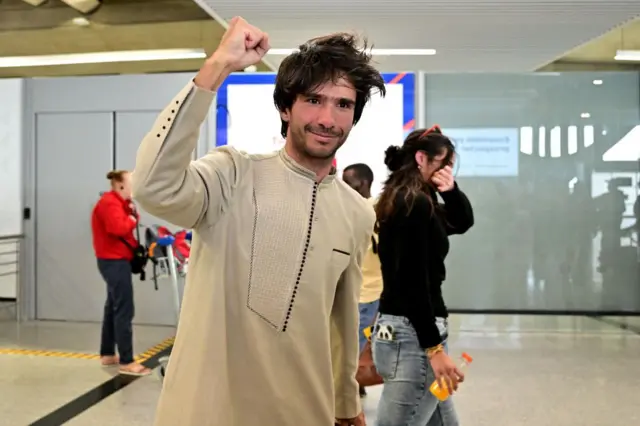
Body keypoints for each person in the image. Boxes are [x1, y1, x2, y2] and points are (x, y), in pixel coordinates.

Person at [131, 17, 386, 426]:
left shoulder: (356, 212)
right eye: (314, 100)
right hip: (210, 412)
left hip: (306, 412)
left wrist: (346, 406)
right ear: (286, 107)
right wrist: (218, 66)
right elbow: (153, 186)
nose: (328, 118)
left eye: (343, 105)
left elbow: (342, 321)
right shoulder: (232, 175)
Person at [372, 126, 474, 426]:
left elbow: (463, 222)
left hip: (405, 329)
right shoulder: (414, 203)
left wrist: (451, 191)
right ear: (421, 158)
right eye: (444, 163)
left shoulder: (411, 198)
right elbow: (413, 282)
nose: (448, 170)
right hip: (414, 336)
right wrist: (434, 348)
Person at [91, 170, 151, 376]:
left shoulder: (119, 203)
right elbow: (117, 228)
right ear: (120, 185)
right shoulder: (109, 203)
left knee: (112, 306)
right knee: (124, 308)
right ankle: (127, 361)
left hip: (117, 260)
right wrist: (132, 220)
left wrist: (132, 213)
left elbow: (128, 219)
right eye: (132, 182)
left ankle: (107, 353)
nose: (135, 186)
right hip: (113, 262)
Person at [342, 163, 383, 398]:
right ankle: (358, 385)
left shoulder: (354, 211)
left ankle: (349, 397)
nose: (345, 186)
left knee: (352, 351)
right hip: (371, 292)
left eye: (349, 181)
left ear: (364, 182)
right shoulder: (381, 208)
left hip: (363, 294)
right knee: (358, 347)